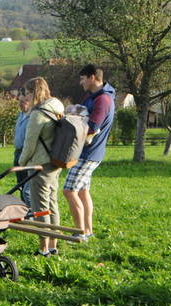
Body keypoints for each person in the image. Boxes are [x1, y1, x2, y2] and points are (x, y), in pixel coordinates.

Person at [63, 64, 116, 242]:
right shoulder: (93, 97)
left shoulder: (103, 100)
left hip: (88, 154)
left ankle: (80, 233)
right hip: (89, 153)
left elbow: (93, 127)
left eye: (83, 78)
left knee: (69, 191)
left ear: (93, 77)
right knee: (83, 191)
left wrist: (73, 119)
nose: (81, 82)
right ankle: (88, 231)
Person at [18, 77, 64, 257]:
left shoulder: (38, 114)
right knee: (53, 203)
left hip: (39, 165)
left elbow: (29, 144)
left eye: (28, 92)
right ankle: (53, 245)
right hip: (55, 162)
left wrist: (21, 163)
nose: (26, 97)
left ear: (34, 92)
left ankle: (43, 248)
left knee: (40, 207)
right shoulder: (57, 107)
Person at [13, 88, 32, 206]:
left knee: (26, 182)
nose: (21, 104)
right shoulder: (20, 114)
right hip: (17, 151)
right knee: (19, 182)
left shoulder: (32, 116)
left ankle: (29, 207)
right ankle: (23, 206)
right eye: (19, 101)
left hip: (26, 152)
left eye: (24, 101)